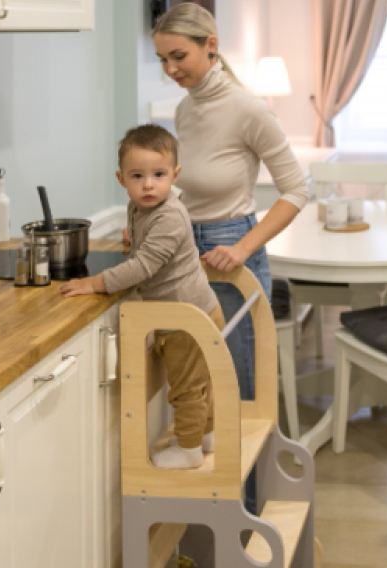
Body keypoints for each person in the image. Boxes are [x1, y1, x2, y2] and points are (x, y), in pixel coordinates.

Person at [150, 2, 309, 511]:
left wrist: (242, 247)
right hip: (186, 255)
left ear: (211, 46)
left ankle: (249, 517)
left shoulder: (248, 109)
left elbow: (296, 191)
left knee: (238, 394)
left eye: (179, 56)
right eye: (163, 59)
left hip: (231, 256)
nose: (171, 69)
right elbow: (187, 192)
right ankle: (217, 519)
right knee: (198, 385)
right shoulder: (185, 109)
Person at [60, 123, 225, 470]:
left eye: (158, 175)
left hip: (187, 319)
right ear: (121, 179)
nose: (148, 185)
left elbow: (144, 266)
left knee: (187, 388)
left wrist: (95, 283)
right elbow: (146, 248)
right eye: (138, 176)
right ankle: (205, 435)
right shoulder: (140, 208)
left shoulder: (169, 216)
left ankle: (190, 450)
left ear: (175, 175)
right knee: (199, 383)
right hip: (190, 312)